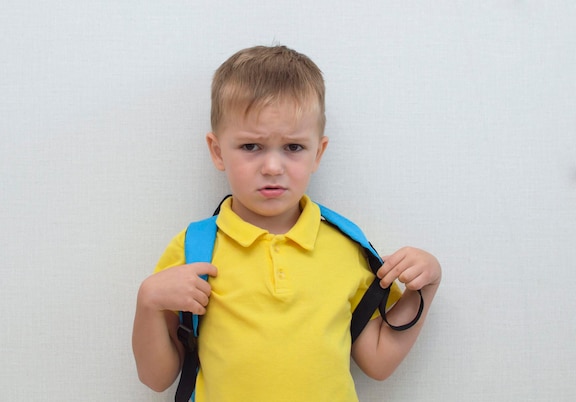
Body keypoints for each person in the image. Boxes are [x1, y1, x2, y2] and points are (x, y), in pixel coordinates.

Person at [132, 45, 442, 402]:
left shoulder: (347, 246)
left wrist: (425, 286)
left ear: (318, 153)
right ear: (217, 151)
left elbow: (378, 362)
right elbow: (157, 378)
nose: (273, 167)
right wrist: (148, 302)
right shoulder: (195, 247)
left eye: (293, 147)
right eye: (251, 146)